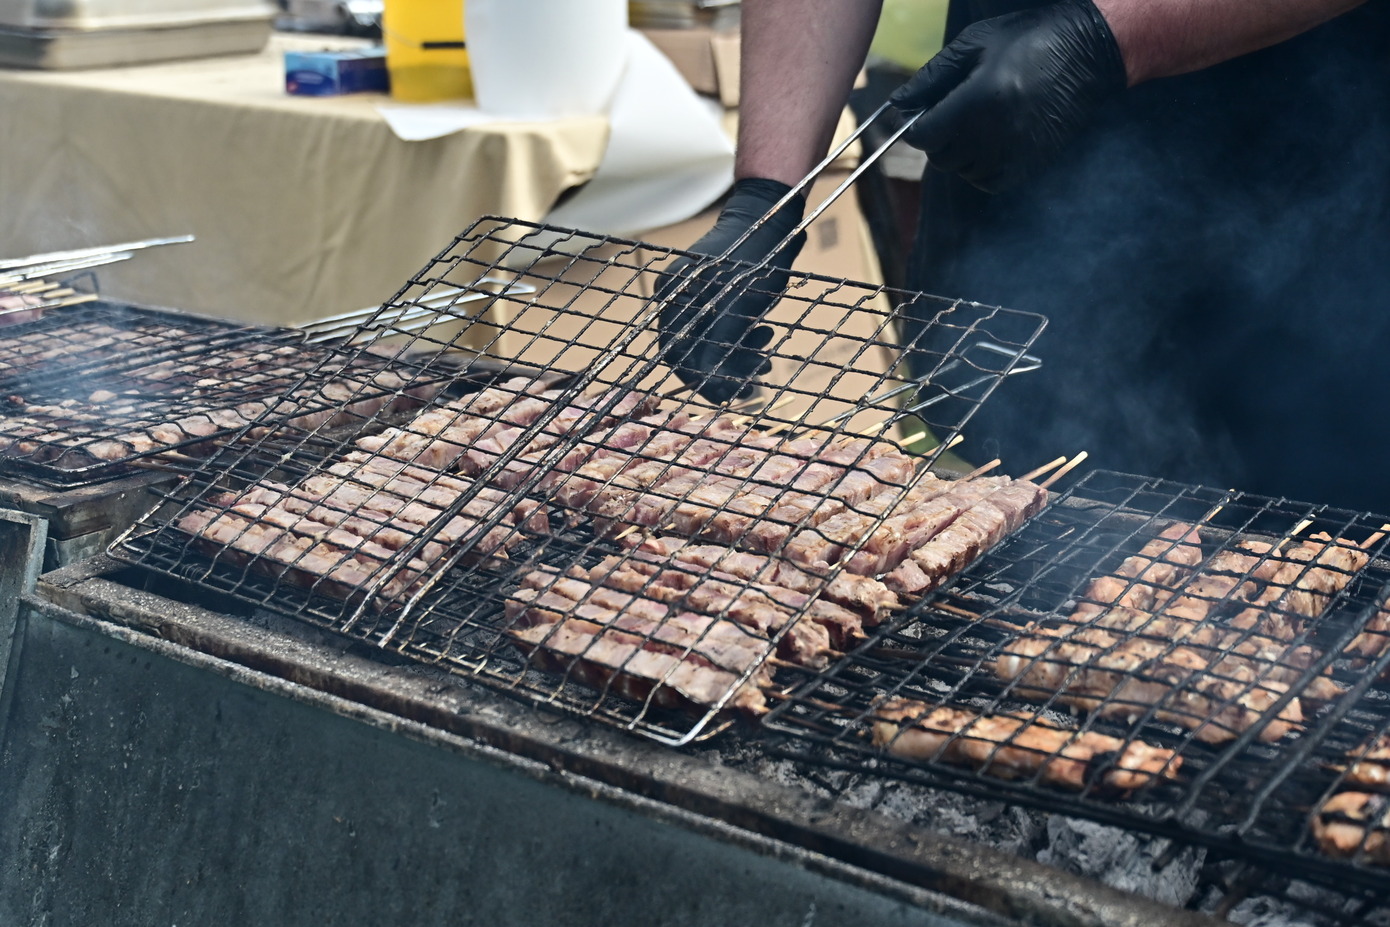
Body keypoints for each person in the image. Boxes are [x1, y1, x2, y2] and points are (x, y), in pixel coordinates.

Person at [657, 0, 1390, 514]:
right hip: (1014, 199)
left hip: (1315, 231)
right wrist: (767, 192)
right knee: (1010, 531)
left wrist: (1109, 38)